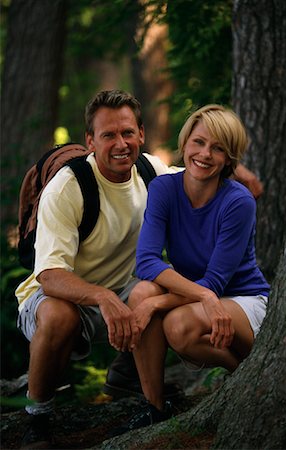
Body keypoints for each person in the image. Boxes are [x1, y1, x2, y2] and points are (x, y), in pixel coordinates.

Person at [15, 90, 264, 448]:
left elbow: (198, 170)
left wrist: (235, 164)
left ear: (141, 134)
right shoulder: (68, 187)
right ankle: (36, 419)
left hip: (127, 291)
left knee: (147, 290)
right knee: (58, 316)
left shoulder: (150, 172)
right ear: (90, 141)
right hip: (62, 294)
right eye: (108, 135)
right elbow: (49, 276)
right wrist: (102, 297)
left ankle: (136, 384)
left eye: (127, 133)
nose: (120, 143)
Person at [115, 104, 270, 433]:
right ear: (184, 144)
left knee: (177, 324)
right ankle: (155, 407)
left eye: (217, 148)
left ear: (228, 159)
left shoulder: (238, 201)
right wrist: (202, 297)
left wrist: (159, 303)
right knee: (141, 291)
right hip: (201, 297)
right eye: (198, 142)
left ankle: (245, 375)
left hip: (243, 299)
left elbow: (216, 282)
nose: (205, 154)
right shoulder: (164, 189)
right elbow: (147, 261)